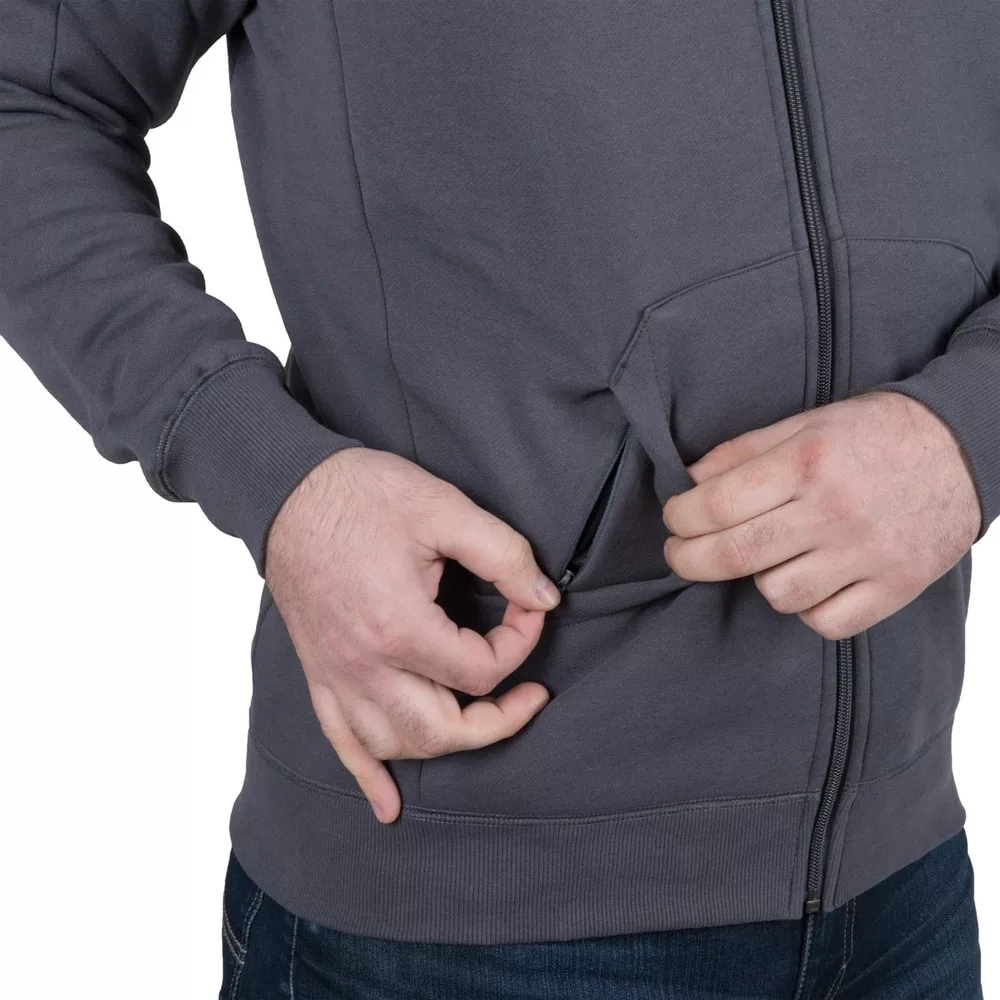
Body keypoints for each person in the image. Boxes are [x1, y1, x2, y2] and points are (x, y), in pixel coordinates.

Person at [1, 2, 994, 997]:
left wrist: (972, 426)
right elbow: (24, 89)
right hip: (464, 907)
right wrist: (267, 469)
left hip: (906, 884)